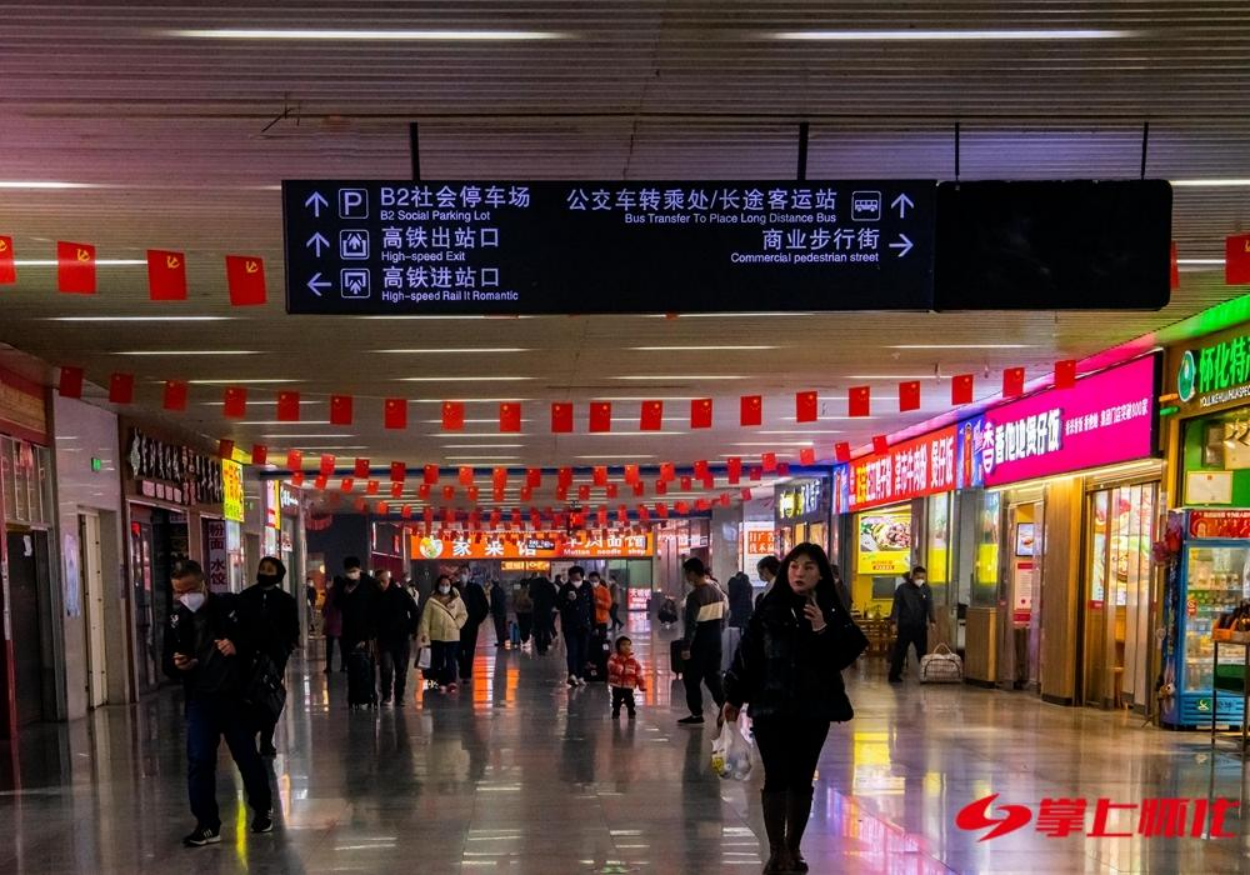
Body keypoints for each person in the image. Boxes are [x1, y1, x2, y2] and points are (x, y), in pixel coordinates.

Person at [723, 543, 865, 875]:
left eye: (809, 567)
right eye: (794, 566)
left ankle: (794, 847)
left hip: (813, 709)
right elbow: (748, 655)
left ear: (821, 575)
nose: (799, 573)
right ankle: (776, 851)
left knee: (802, 777)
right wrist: (734, 696)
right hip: (771, 708)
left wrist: (821, 629)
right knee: (776, 777)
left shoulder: (829, 609)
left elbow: (844, 655)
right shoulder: (768, 607)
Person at [163, 560, 273, 847]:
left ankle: (262, 809)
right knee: (199, 760)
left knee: (246, 757)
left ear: (203, 584)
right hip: (200, 699)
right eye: (178, 591)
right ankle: (207, 824)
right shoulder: (176, 618)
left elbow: (264, 638)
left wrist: (238, 646)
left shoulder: (232, 607)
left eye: (189, 590)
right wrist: (177, 665)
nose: (184, 597)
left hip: (235, 697)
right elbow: (167, 661)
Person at [238, 556, 299, 757]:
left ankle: (267, 738)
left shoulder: (286, 600)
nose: (265, 572)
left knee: (269, 697)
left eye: (270, 570)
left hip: (275, 657)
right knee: (249, 696)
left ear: (278, 574)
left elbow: (293, 629)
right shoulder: (246, 597)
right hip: (248, 656)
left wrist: (285, 648)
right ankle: (248, 735)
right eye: (262, 568)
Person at [678, 557, 727, 726]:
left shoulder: (694, 596)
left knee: (691, 678)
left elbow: (691, 624)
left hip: (699, 642)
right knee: (713, 677)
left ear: (692, 573)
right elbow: (725, 616)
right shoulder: (717, 591)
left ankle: (696, 714)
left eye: (686, 573)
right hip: (716, 639)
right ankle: (725, 706)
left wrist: (686, 647)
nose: (686, 577)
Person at [334, 557, 380, 707]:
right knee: (352, 665)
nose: (352, 573)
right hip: (348, 632)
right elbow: (337, 604)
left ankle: (370, 694)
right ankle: (354, 697)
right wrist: (345, 594)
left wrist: (370, 634)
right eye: (349, 571)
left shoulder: (369, 584)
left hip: (367, 633)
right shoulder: (342, 585)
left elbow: (375, 609)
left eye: (354, 570)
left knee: (368, 665)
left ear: (360, 569)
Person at [417, 574, 468, 692]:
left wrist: (457, 624)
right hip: (436, 635)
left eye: (447, 585)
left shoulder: (456, 600)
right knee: (436, 660)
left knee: (450, 659)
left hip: (452, 635)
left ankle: (450, 682)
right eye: (442, 584)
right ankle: (435, 684)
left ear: (450, 586)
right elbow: (425, 619)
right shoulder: (431, 601)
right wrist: (425, 634)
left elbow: (463, 614)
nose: (444, 587)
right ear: (438, 585)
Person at [376, 570, 420, 706]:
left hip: (401, 638)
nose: (381, 584)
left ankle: (399, 696)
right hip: (384, 639)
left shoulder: (400, 593)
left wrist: (411, 629)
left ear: (389, 580)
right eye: (378, 582)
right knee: (386, 668)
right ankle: (386, 696)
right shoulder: (376, 596)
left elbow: (415, 611)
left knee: (401, 669)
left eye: (383, 581)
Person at [888, 565, 936, 684]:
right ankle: (894, 675)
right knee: (900, 651)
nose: (921, 580)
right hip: (906, 625)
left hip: (920, 626)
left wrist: (932, 621)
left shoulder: (926, 589)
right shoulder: (902, 589)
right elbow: (896, 606)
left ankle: (925, 675)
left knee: (922, 652)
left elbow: (930, 605)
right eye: (918, 577)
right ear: (913, 576)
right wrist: (893, 622)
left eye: (923, 578)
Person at [558, 566, 595, 686]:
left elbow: (592, 606)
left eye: (577, 577)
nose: (575, 580)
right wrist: (567, 600)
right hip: (570, 625)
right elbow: (559, 605)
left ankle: (581, 675)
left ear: (582, 576)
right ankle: (572, 674)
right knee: (572, 650)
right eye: (573, 577)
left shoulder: (587, 586)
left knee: (583, 651)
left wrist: (593, 624)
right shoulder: (565, 588)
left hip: (585, 625)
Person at [457, 567, 491, 682]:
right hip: (456, 625)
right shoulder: (454, 588)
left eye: (465, 573)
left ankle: (466, 674)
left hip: (471, 624)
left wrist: (478, 620)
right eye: (461, 572)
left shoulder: (476, 588)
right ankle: (462, 666)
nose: (462, 575)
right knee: (457, 649)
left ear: (469, 574)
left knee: (469, 649)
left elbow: (485, 606)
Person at [607, 636, 646, 719]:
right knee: (616, 699)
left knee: (629, 699)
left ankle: (631, 710)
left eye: (628, 645)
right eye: (623, 645)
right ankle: (616, 711)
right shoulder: (614, 657)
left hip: (629, 684)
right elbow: (610, 665)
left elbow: (638, 673)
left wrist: (641, 684)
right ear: (618, 647)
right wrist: (619, 668)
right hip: (617, 684)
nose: (626, 647)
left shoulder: (633, 660)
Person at [530, 574, 558, 654]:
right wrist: (552, 605)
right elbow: (555, 597)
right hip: (547, 610)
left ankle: (539, 648)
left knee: (537, 630)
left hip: (537, 610)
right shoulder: (550, 586)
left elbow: (530, 595)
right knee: (546, 629)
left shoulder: (535, 586)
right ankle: (544, 646)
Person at [514, 579, 534, 651]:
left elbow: (514, 601)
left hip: (520, 611)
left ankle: (523, 637)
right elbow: (532, 601)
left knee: (521, 624)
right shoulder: (529, 591)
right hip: (528, 611)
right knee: (528, 625)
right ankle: (525, 637)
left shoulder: (517, 591)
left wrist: (515, 608)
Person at [590, 571, 612, 636]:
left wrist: (600, 602)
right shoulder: (587, 590)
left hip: (602, 620)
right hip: (590, 620)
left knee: (602, 638)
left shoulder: (605, 591)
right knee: (591, 639)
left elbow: (609, 606)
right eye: (591, 581)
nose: (593, 583)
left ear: (599, 580)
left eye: (595, 580)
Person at [490, 579, 509, 648]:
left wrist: (492, 610)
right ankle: (503, 640)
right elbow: (504, 599)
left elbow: (493, 601)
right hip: (503, 610)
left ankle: (500, 641)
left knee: (498, 627)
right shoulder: (501, 590)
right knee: (503, 626)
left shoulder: (492, 591)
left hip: (497, 612)